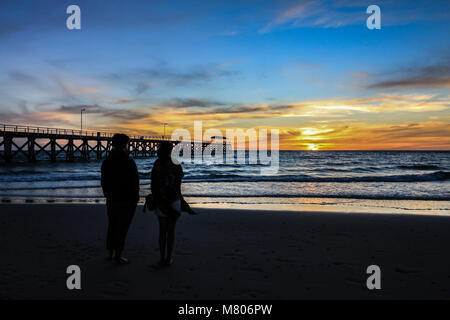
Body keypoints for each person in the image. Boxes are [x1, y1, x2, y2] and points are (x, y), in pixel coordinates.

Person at [101, 133, 139, 265]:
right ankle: (118, 256)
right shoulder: (128, 161)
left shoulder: (107, 161)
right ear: (124, 145)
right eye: (127, 144)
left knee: (112, 225)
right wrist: (135, 198)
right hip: (127, 199)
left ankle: (110, 253)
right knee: (122, 227)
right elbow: (134, 182)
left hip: (112, 198)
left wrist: (107, 194)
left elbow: (103, 181)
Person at [150, 141, 189, 267]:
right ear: (171, 150)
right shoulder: (175, 162)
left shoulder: (157, 163)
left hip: (161, 200)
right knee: (171, 230)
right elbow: (179, 181)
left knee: (162, 230)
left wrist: (155, 196)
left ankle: (161, 258)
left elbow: (153, 183)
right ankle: (169, 258)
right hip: (174, 199)